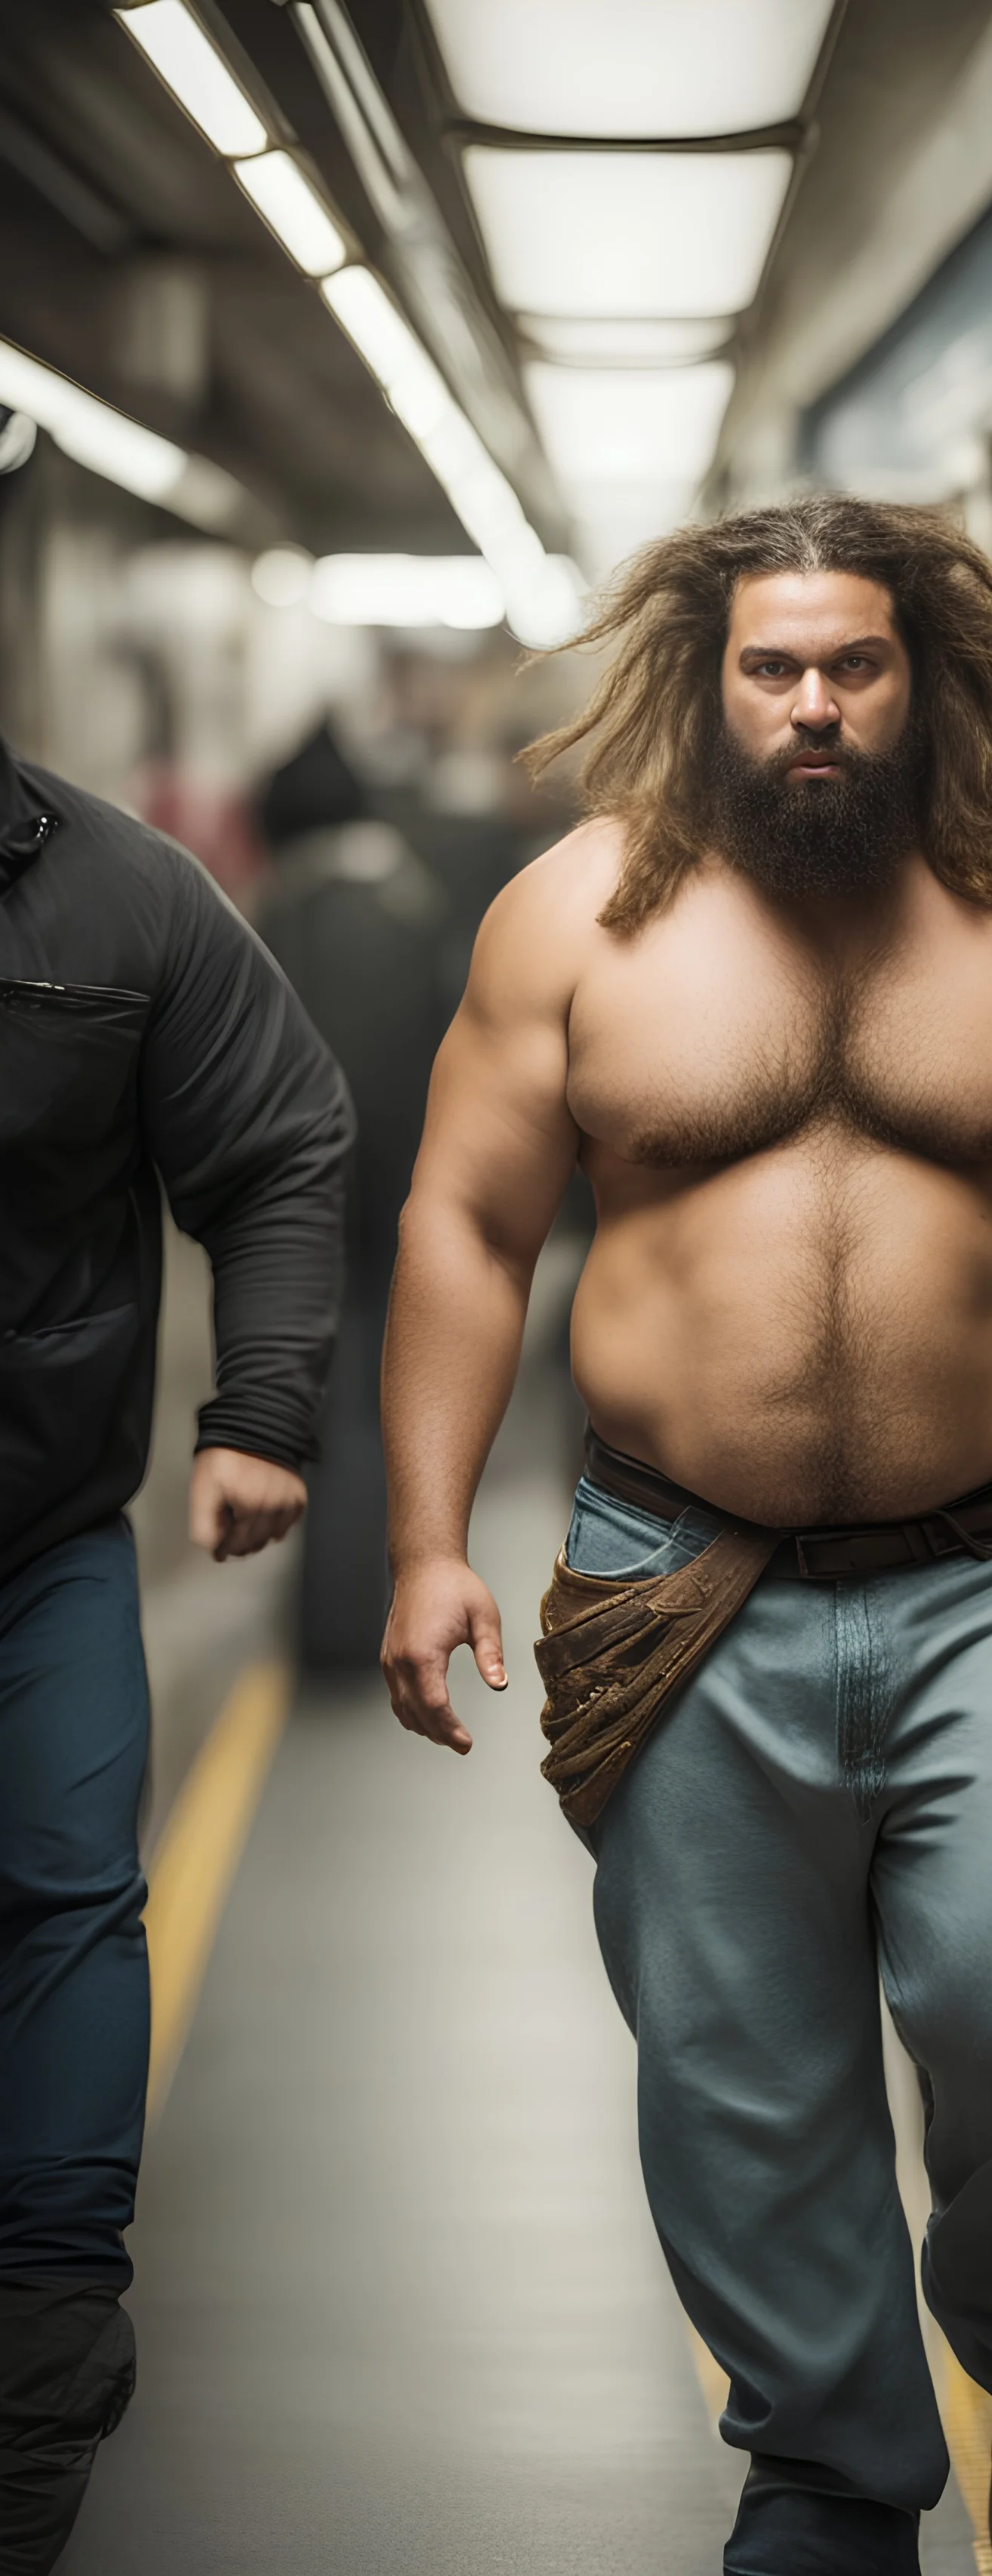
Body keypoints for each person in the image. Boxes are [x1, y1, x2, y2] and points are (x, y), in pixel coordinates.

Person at [379, 498, 992, 2576]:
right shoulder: (575, 920)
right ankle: (833, 2482)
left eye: (852, 665)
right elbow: (467, 1222)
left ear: (921, 676)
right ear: (706, 687)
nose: (812, 703)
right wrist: (428, 1530)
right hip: (679, 1584)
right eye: (773, 667)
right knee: (744, 2091)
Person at [0, 734, 350, 2571]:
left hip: (34, 1541)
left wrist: (263, 1411)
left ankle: (39, 2369)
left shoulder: (120, 896)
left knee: (63, 1900)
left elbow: (280, 1140)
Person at [254, 719, 448, 1668]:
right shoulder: (412, 911)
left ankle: (330, 1622)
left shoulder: (278, 918)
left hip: (301, 1190)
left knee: (325, 1395)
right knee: (377, 1387)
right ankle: (358, 1603)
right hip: (403, 1178)